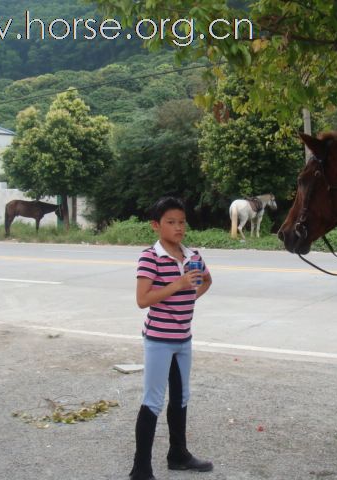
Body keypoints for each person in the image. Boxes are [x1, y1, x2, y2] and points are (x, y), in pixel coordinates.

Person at [130, 197, 213, 480]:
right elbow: (142, 299)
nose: (178, 228)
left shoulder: (192, 256)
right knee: (153, 400)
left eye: (182, 222)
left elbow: (207, 280)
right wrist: (177, 285)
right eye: (171, 222)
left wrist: (188, 298)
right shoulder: (150, 257)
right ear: (156, 225)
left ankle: (178, 455)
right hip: (158, 340)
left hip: (183, 339)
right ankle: (140, 468)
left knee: (181, 398)